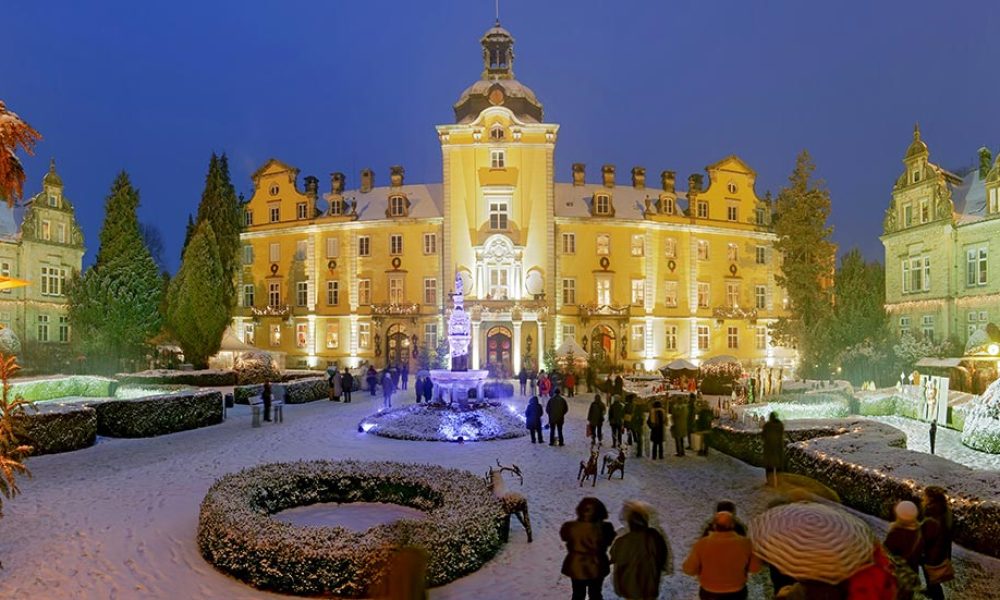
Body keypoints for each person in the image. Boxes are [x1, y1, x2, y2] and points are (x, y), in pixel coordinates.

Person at [682, 511, 761, 600]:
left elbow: (689, 570)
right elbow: (755, 569)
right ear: (733, 525)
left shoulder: (701, 544)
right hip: (736, 592)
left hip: (709, 593)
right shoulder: (746, 543)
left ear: (714, 526)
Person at [610, 500, 669, 600]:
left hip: (629, 584)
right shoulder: (654, 536)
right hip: (650, 582)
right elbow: (662, 555)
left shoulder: (623, 540)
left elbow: (614, 556)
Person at [560, 497, 616, 600]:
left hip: (576, 565)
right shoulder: (606, 528)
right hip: (597, 565)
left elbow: (564, 536)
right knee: (595, 594)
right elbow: (609, 541)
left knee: (577, 594)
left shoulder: (570, 527)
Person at [884, 500, 924, 600]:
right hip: (909, 577)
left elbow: (885, 554)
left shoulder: (896, 534)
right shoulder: (919, 532)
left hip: (896, 576)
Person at [920, 486, 954, 600]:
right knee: (931, 576)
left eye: (925, 495)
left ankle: (937, 597)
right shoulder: (944, 510)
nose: (923, 497)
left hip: (932, 551)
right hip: (941, 549)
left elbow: (928, 534)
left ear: (931, 498)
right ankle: (931, 591)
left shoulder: (932, 512)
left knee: (932, 577)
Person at [762, 412, 785, 486]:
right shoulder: (780, 425)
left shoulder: (767, 426)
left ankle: (770, 483)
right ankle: (779, 482)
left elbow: (763, 436)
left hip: (769, 449)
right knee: (778, 467)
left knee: (769, 467)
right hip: (778, 449)